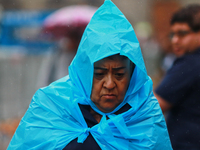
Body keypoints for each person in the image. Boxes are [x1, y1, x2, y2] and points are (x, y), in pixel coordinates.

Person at [7, 0, 172, 149]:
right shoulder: (52, 106)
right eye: (99, 74)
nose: (109, 84)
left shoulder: (144, 115)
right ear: (84, 74)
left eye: (119, 74)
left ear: (133, 76)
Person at [154, 4, 200, 150]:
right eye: (173, 34)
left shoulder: (190, 63)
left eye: (182, 33)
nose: (175, 40)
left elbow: (154, 106)